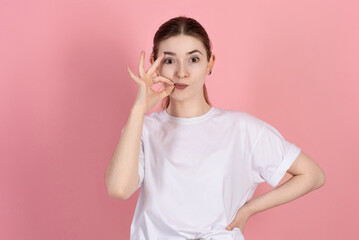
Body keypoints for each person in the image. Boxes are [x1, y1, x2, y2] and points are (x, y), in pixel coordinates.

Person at [105, 16, 326, 240]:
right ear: (155, 64)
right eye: (170, 61)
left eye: (193, 59)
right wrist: (138, 109)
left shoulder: (242, 129)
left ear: (210, 63)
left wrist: (249, 209)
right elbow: (119, 189)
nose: (182, 73)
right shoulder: (142, 129)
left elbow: (313, 175)